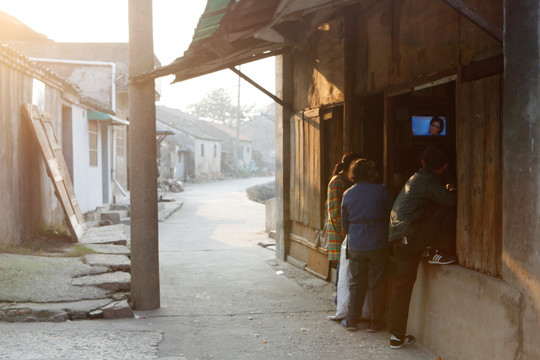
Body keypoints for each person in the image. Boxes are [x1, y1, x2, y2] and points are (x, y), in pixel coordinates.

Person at [387, 144, 457, 349]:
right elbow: (450, 200)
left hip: (398, 237)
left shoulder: (416, 177)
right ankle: (437, 250)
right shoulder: (428, 181)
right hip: (410, 236)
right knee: (448, 207)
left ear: (423, 162)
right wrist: (452, 188)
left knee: (402, 286)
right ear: (443, 167)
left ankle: (396, 335)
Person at [340, 159, 393, 332]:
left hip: (356, 243)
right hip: (378, 242)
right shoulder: (381, 190)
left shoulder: (348, 193)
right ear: (371, 173)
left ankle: (352, 320)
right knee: (376, 283)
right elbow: (391, 215)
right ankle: (375, 322)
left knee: (356, 282)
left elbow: (345, 224)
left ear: (353, 174)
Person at [326, 152, 362, 321]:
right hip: (339, 233)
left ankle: (342, 304)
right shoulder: (337, 182)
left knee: (344, 270)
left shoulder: (345, 182)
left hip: (346, 233)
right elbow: (334, 211)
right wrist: (344, 232)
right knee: (342, 270)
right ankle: (339, 303)